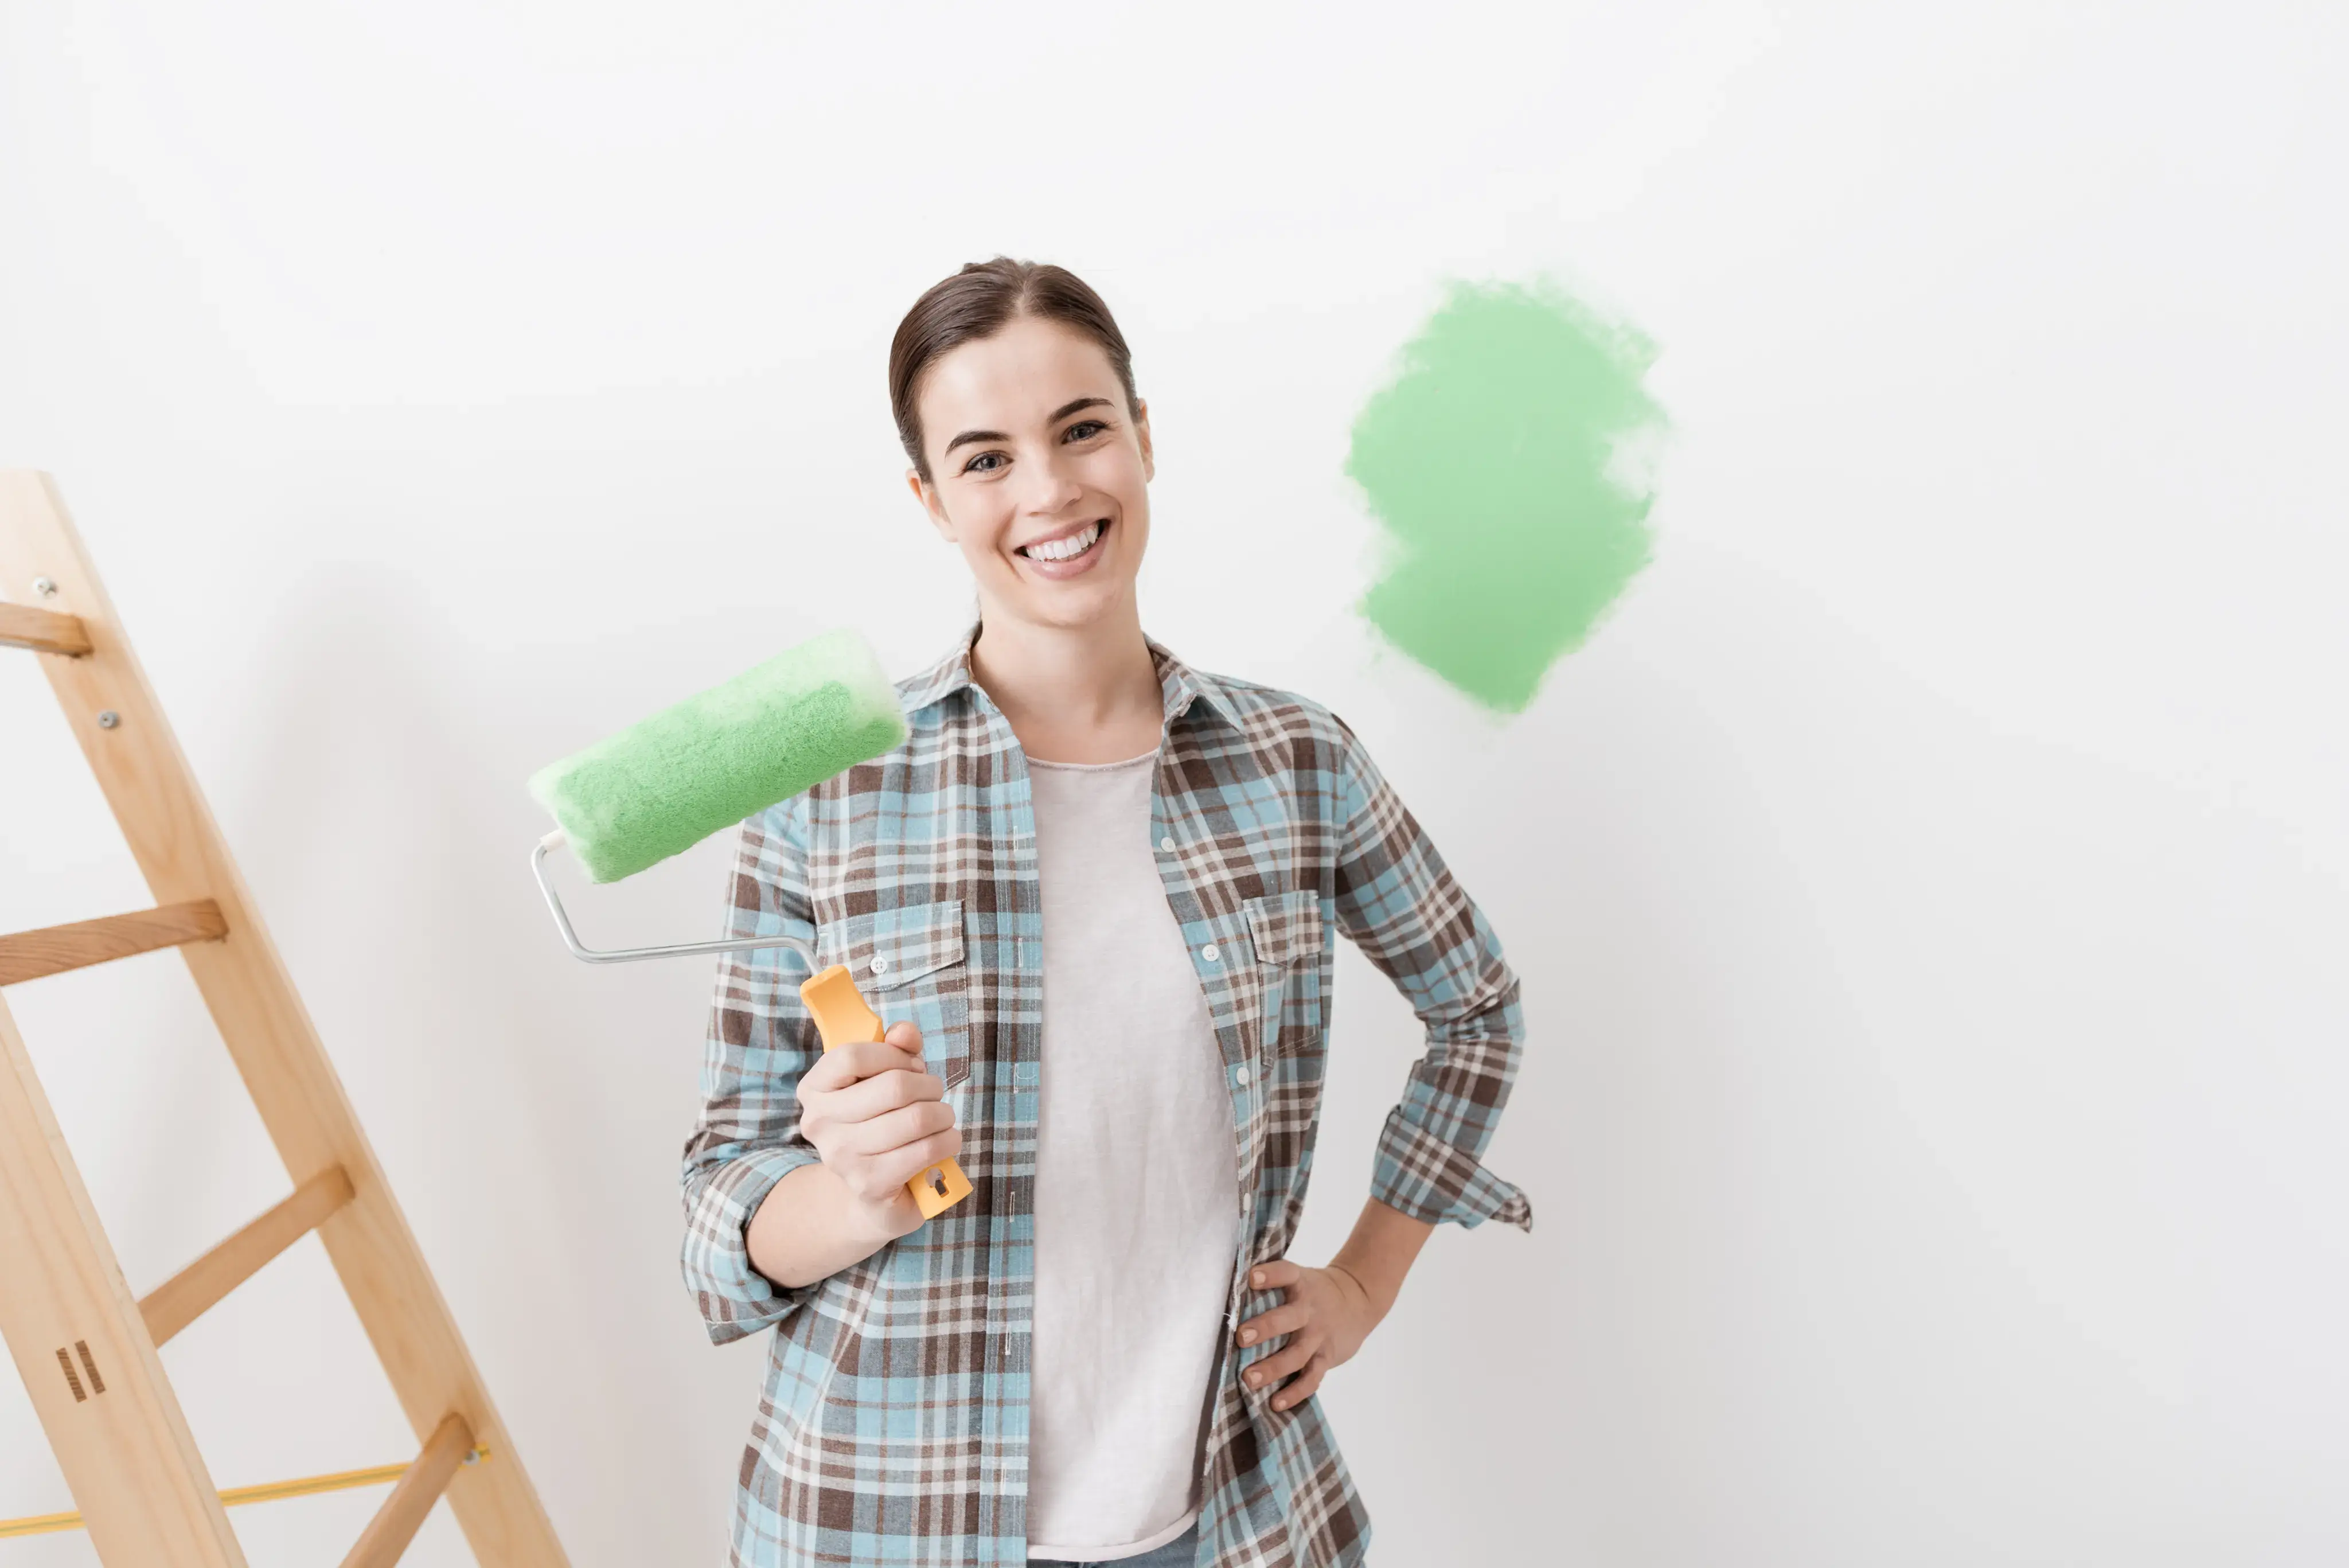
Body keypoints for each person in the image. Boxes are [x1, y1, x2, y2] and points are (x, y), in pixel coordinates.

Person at [681, 258, 1531, 1568]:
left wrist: (1364, 1278)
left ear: (1143, 435)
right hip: (876, 1517)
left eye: (1081, 428)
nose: (1048, 491)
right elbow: (719, 1213)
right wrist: (851, 1198)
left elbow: (1472, 1006)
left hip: (1225, 1516)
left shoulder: (1296, 764)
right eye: (983, 458)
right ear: (929, 500)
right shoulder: (825, 790)